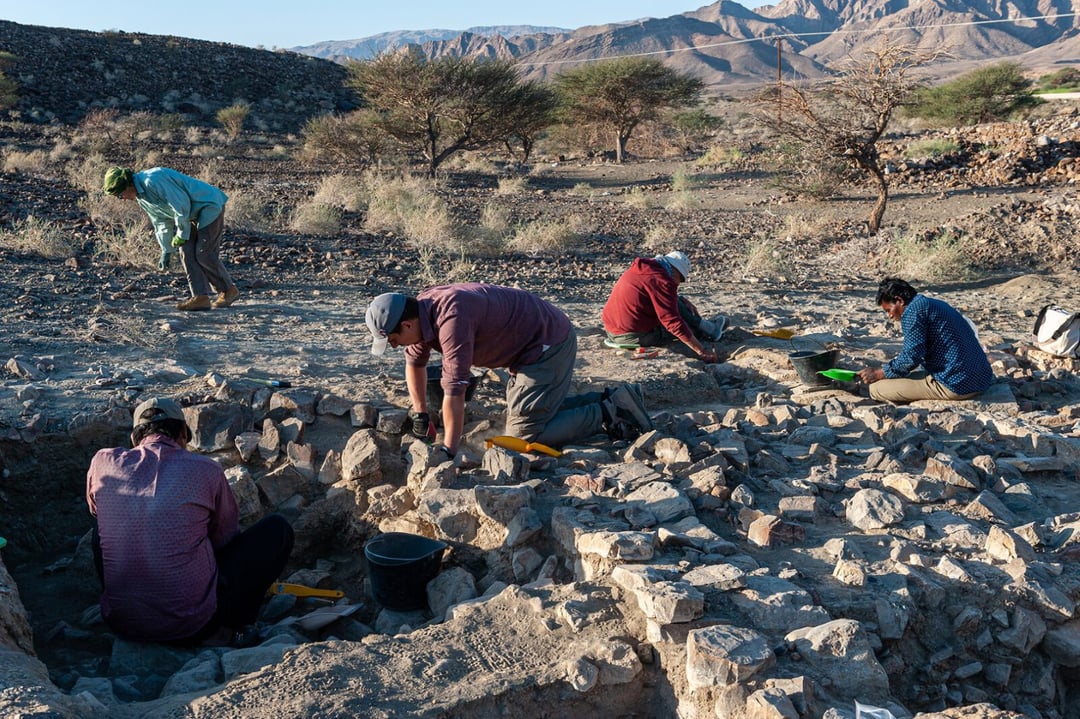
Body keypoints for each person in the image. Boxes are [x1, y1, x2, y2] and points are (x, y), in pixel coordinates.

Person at [87, 397, 294, 645]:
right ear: (184, 433)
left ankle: (128, 601)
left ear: (134, 438)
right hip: (193, 625)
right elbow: (224, 537)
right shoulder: (206, 469)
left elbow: (97, 510)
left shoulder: (103, 461)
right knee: (277, 529)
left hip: (121, 623)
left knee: (100, 532)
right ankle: (234, 628)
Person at [364, 283, 654, 460]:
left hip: (547, 345)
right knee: (528, 416)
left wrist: (449, 450)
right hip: (526, 352)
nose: (392, 346)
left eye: (392, 340)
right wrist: (420, 414)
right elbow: (414, 363)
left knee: (524, 438)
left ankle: (611, 411)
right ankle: (616, 398)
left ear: (406, 325)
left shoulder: (451, 318)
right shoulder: (421, 314)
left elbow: (455, 388)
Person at [102, 166, 240, 311]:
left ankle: (228, 290)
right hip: (190, 215)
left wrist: (181, 234)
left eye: (120, 195)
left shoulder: (152, 181)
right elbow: (160, 221)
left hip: (208, 205)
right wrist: (166, 250)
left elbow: (181, 205)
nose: (122, 199)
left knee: (204, 253)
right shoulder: (142, 197)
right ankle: (200, 297)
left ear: (127, 184)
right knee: (186, 252)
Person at [856, 278, 993, 404]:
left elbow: (911, 357)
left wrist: (879, 373)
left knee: (876, 389)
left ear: (899, 300)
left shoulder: (912, 312)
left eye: (888, 310)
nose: (890, 316)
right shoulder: (933, 303)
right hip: (981, 379)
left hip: (956, 384)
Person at [601, 250, 724, 363]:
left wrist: (679, 298)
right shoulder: (663, 281)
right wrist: (701, 351)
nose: (677, 284)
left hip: (612, 329)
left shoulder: (645, 268)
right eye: (679, 280)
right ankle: (705, 329)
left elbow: (657, 294)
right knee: (687, 330)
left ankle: (707, 326)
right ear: (676, 271)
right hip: (631, 336)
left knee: (677, 302)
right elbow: (672, 322)